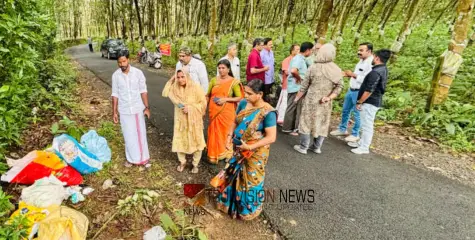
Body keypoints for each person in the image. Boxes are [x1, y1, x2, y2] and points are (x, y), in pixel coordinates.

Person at [216, 79, 277, 220]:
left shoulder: (268, 112)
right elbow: (234, 122)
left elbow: (271, 137)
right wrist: (229, 136)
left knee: (250, 180)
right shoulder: (243, 104)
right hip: (239, 149)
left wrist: (249, 146)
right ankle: (228, 205)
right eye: (245, 93)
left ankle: (247, 210)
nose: (246, 96)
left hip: (255, 152)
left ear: (260, 94)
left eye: (249, 94)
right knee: (233, 174)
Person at [292, 43, 343, 154]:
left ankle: (303, 147)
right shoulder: (336, 69)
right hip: (325, 102)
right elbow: (339, 86)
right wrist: (329, 98)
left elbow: (304, 86)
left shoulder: (313, 67)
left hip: (311, 100)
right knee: (322, 122)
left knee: (306, 121)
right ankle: (316, 147)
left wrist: (296, 99)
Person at [162, 70, 207, 173]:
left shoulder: (196, 87)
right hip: (180, 120)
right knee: (180, 140)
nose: (180, 79)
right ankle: (182, 162)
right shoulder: (174, 88)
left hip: (194, 121)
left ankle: (195, 164)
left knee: (197, 141)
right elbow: (165, 92)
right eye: (178, 77)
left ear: (187, 76)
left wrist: (190, 108)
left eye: (183, 77)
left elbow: (203, 103)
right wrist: (172, 78)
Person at [111, 50, 150, 167]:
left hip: (137, 108)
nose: (122, 64)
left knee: (140, 133)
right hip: (124, 110)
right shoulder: (116, 76)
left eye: (124, 61)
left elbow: (143, 91)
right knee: (128, 134)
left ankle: (144, 159)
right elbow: (115, 94)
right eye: (119, 62)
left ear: (128, 60)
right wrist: (114, 112)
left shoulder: (138, 73)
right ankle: (131, 159)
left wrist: (147, 108)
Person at [348, 49, 391, 154]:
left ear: (376, 58)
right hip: (372, 101)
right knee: (364, 123)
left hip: (370, 102)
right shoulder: (383, 69)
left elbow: (369, 90)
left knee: (367, 125)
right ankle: (361, 142)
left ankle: (364, 147)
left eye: (373, 56)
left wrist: (360, 101)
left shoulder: (376, 72)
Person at [330, 42, 374, 142]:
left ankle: (355, 134)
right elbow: (356, 74)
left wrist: (353, 75)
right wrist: (347, 74)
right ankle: (342, 129)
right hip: (351, 89)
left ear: (369, 51)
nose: (359, 52)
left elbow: (368, 79)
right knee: (345, 110)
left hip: (359, 91)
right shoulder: (361, 61)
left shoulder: (370, 63)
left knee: (357, 113)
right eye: (359, 50)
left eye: (361, 50)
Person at [207, 59, 244, 164]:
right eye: (219, 68)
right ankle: (214, 155)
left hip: (227, 112)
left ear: (228, 69)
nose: (221, 70)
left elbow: (239, 97)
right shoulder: (214, 80)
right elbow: (208, 95)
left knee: (226, 132)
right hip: (214, 110)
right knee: (214, 132)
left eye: (223, 68)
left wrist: (225, 99)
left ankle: (227, 153)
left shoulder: (234, 82)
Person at [282, 42, 314, 136]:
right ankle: (288, 128)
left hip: (296, 87)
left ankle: (291, 128)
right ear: (307, 50)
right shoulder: (298, 59)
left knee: (294, 107)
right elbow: (293, 71)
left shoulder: (302, 59)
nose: (312, 52)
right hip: (296, 87)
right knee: (292, 107)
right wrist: (300, 78)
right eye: (311, 50)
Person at [276, 44, 299, 125]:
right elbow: (286, 71)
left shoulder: (298, 60)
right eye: (296, 49)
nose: (298, 51)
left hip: (296, 85)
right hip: (287, 84)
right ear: (292, 51)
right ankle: (281, 119)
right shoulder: (287, 60)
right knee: (284, 102)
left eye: (299, 49)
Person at [260, 38, 275, 102]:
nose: (271, 46)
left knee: (269, 94)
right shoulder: (261, 54)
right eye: (269, 44)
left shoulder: (271, 52)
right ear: (264, 45)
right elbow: (259, 65)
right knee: (264, 95)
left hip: (271, 77)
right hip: (265, 78)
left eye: (272, 44)